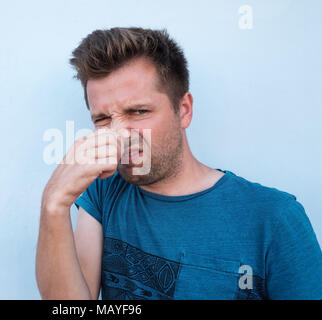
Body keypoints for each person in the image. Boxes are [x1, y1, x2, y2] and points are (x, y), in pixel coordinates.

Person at [35, 27, 322, 300]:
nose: (119, 134)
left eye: (138, 111)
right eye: (102, 119)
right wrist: (54, 204)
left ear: (183, 110)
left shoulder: (274, 218)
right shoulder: (104, 189)